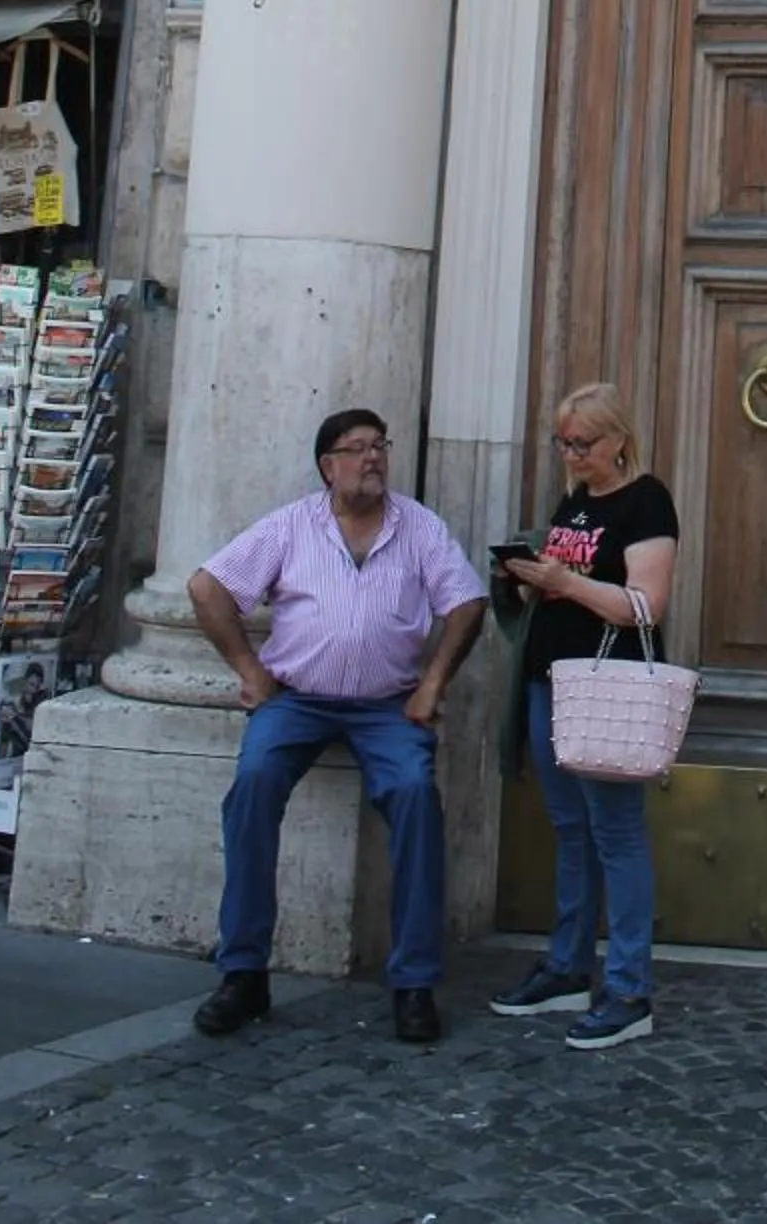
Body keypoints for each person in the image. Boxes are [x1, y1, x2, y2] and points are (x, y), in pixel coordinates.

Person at [186, 407, 487, 1046]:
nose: (372, 459)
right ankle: (242, 973)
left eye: (380, 446)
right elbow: (207, 587)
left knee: (412, 794)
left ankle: (413, 982)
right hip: (297, 700)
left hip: (387, 705)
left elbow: (467, 602)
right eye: (356, 449)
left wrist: (432, 684)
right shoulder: (292, 526)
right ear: (329, 466)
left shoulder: (420, 529)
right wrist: (248, 669)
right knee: (254, 785)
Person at [490, 380, 678, 1050]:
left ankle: (629, 988)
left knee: (616, 832)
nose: (571, 456)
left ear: (619, 439)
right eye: (564, 443)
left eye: (584, 444)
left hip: (608, 686)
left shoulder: (646, 501)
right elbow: (568, 582)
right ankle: (568, 966)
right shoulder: (575, 501)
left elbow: (645, 605)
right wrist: (526, 577)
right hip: (553, 679)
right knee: (571, 827)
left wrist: (565, 583)